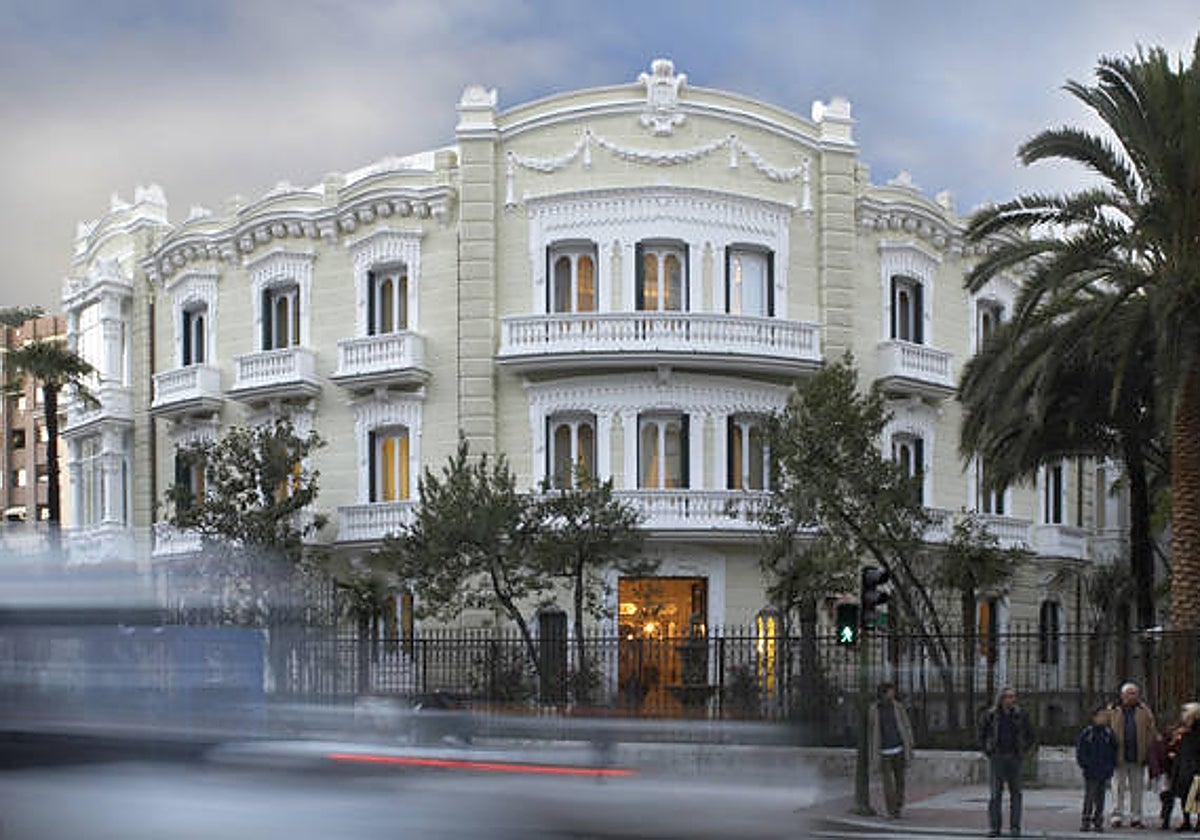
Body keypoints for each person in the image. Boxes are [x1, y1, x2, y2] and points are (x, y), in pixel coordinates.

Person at [980, 686, 1037, 838]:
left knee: (1016, 794)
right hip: (997, 757)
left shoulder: (1021, 715)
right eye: (1009, 697)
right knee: (995, 795)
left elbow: (1031, 735)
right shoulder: (991, 716)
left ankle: (1015, 827)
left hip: (1014, 757)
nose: (1012, 699)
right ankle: (995, 827)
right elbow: (982, 735)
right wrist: (988, 751)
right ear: (1002, 699)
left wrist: (1022, 750)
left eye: (1013, 696)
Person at [1111, 682, 1157, 828]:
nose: (1132, 696)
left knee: (1137, 789)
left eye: (1135, 693)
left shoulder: (1144, 711)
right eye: (1129, 693)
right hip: (1119, 756)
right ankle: (1116, 816)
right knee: (1117, 788)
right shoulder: (1113, 710)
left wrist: (1149, 751)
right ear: (1122, 695)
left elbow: (1151, 731)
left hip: (1138, 756)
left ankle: (1136, 817)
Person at [867, 681, 916, 819]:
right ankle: (891, 810)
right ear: (883, 693)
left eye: (893, 691)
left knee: (900, 781)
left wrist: (910, 741)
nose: (892, 693)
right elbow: (872, 731)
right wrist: (873, 751)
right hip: (884, 751)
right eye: (890, 691)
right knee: (888, 783)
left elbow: (906, 724)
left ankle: (898, 807)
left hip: (899, 748)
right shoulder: (874, 709)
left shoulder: (898, 707)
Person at [1077, 705, 1119, 832]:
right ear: (1094, 718)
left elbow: (1114, 749)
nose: (1103, 718)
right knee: (1089, 797)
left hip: (1104, 770)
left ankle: (1098, 821)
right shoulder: (1087, 733)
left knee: (1101, 798)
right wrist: (1085, 764)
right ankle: (1086, 821)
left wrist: (1111, 766)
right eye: (1101, 716)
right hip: (1091, 771)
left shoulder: (1108, 733)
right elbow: (1081, 751)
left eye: (1105, 716)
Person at [1173, 703, 1200, 833]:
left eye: (1187, 714)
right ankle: (1186, 820)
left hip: (1196, 766)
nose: (1184, 717)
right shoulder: (1182, 730)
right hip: (1183, 765)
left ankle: (1199, 821)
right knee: (1184, 795)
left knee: (1197, 795)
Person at [1151, 723, 1179, 830]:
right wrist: (1157, 772)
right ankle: (1165, 818)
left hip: (1174, 773)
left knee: (1168, 797)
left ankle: (1165, 819)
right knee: (1166, 797)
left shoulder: (1177, 742)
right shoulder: (1159, 742)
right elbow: (1154, 757)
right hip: (1163, 773)